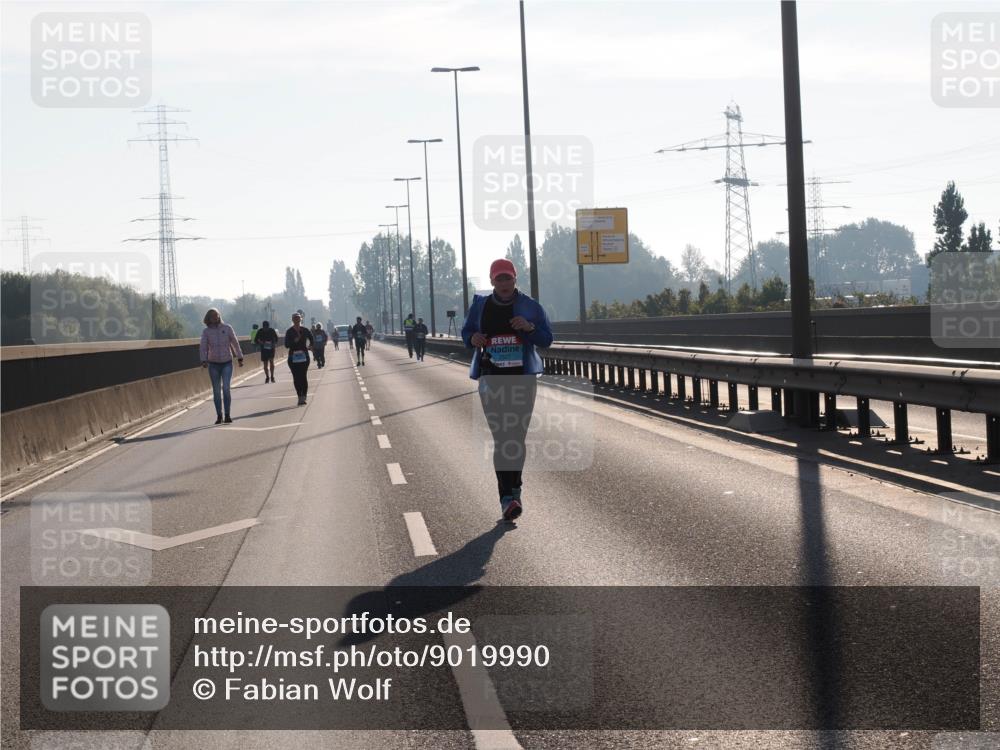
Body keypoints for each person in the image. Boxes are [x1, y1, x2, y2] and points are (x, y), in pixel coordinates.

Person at [462, 259, 552, 522]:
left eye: (508, 278)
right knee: (502, 438)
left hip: (522, 380)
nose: (503, 283)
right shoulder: (480, 306)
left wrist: (530, 327)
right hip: (491, 380)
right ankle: (507, 499)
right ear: (492, 281)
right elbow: (466, 334)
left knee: (516, 437)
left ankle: (516, 490)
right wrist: (473, 339)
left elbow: (547, 339)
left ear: (515, 279)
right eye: (498, 279)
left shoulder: (530, 306)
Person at [200, 308, 245, 424]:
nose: (215, 317)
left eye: (217, 315)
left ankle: (227, 414)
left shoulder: (227, 328)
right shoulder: (206, 332)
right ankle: (219, 415)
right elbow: (203, 347)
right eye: (213, 316)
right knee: (216, 391)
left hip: (227, 362)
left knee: (226, 388)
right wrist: (204, 360)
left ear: (219, 316)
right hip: (213, 364)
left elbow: (235, 343)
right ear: (208, 318)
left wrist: (240, 357)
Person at [284, 312, 314, 405]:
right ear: (292, 320)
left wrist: (311, 346)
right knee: (296, 377)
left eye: (298, 318)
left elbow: (311, 338)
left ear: (301, 319)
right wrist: (294, 341)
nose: (297, 320)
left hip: (304, 356)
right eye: (295, 319)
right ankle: (299, 396)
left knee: (303, 376)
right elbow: (286, 345)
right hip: (293, 357)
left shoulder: (305, 330)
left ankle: (304, 396)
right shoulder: (289, 331)